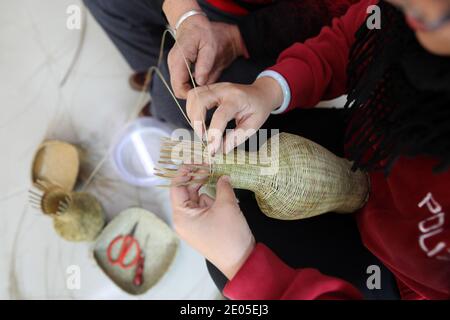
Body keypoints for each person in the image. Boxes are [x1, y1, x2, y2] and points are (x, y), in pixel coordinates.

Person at [171, 0, 450, 299]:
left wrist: (243, 265)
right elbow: (358, 35)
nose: (407, 14)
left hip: (393, 270)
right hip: (365, 146)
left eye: (425, 18)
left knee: (223, 270)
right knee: (247, 130)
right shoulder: (406, 18)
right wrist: (268, 90)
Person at [83, 0, 358, 126]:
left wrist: (242, 38)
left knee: (176, 99)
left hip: (280, 26)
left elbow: (344, 18)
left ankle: (161, 91)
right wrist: (184, 14)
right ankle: (156, 69)